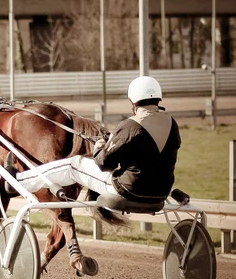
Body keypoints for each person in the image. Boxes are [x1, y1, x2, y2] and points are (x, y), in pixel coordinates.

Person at [10, 76, 181, 204]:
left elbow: (104, 164)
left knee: (73, 164)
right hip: (162, 192)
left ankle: (18, 181)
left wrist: (100, 146)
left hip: (128, 190)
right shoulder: (172, 124)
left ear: (134, 103)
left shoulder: (131, 126)